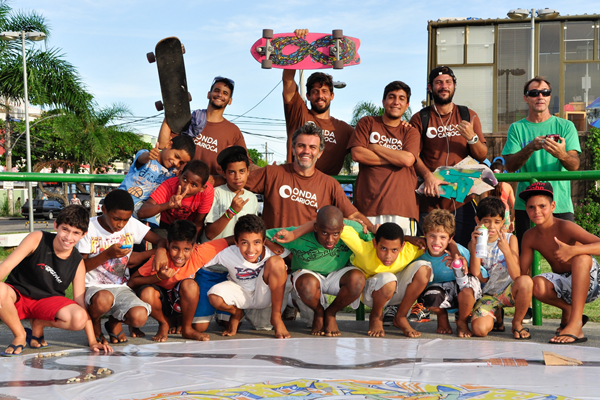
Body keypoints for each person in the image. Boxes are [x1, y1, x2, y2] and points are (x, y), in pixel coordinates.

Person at [0, 205, 112, 356]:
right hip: (17, 296)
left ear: (83, 234)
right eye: (65, 229)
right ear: (56, 225)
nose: (69, 237)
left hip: (46, 303)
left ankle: (39, 323)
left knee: (79, 318)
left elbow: (80, 302)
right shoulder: (37, 238)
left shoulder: (77, 262)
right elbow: (5, 267)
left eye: (76, 233)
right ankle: (20, 335)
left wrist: (92, 341)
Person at [410, 66, 488, 247]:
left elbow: (482, 155)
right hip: (430, 201)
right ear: (430, 87)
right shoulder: (420, 117)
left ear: (454, 86)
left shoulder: (468, 114)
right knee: (430, 253)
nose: (443, 86)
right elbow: (412, 155)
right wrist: (428, 176)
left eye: (448, 82)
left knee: (463, 251)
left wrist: (472, 138)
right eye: (438, 83)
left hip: (462, 200)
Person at [244, 122, 372, 231]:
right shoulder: (272, 173)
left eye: (312, 147)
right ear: (293, 149)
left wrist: (373, 230)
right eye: (301, 146)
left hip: (310, 255)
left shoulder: (329, 184)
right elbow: (236, 180)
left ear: (320, 153)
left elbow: (353, 214)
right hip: (275, 251)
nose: (306, 151)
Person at [78, 189, 166, 344]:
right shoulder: (89, 228)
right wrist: (106, 254)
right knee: (104, 299)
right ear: (103, 209)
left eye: (125, 220)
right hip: (93, 288)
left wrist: (159, 250)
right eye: (116, 218)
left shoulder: (130, 224)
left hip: (121, 286)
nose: (121, 224)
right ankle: (95, 326)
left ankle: (113, 323)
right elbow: (80, 268)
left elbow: (160, 240)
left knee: (139, 317)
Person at [502, 77, 581, 247]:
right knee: (526, 258)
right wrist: (530, 147)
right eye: (534, 93)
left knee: (568, 256)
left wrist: (561, 154)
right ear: (526, 98)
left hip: (559, 203)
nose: (540, 96)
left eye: (545, 92)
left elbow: (574, 165)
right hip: (527, 204)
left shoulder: (566, 126)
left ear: (550, 97)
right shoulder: (517, 128)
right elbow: (510, 166)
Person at [267, 206, 369, 336]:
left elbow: (381, 237)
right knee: (307, 285)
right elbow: (260, 235)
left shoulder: (353, 229)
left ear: (342, 229)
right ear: (315, 228)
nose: (330, 240)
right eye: (324, 233)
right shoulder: (296, 234)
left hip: (339, 272)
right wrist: (282, 253)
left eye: (335, 234)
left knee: (358, 279)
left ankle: (331, 313)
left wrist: (368, 228)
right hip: (308, 274)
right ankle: (319, 311)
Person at [520, 182, 600, 344]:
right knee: (535, 283)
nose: (537, 211)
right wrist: (507, 250)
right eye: (531, 207)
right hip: (564, 284)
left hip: (591, 283)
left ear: (553, 206)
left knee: (581, 258)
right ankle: (569, 311)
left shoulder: (565, 226)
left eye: (542, 206)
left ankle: (576, 324)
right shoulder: (529, 236)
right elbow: (522, 273)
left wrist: (573, 250)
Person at [128, 220, 233, 342]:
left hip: (179, 302)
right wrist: (158, 278)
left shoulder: (199, 253)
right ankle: (164, 323)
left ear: (194, 247)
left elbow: (229, 240)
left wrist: (259, 242)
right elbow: (132, 282)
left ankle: (187, 329)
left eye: (186, 249)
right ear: (168, 244)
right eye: (175, 248)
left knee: (190, 285)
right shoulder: (160, 259)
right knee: (147, 293)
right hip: (160, 303)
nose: (180, 255)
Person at [348, 81, 420, 236]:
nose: (396, 102)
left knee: (402, 257)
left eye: (401, 98)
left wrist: (375, 148)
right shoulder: (367, 123)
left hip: (403, 209)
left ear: (407, 105)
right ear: (383, 101)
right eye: (392, 97)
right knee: (367, 257)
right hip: (369, 208)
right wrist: (396, 157)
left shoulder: (410, 132)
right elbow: (358, 154)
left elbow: (408, 160)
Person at [205, 215, 291, 339]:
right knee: (214, 296)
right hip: (240, 293)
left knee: (276, 262)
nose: (251, 249)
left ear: (264, 241)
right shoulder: (228, 253)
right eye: (244, 243)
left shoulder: (271, 251)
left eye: (256, 242)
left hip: (264, 295)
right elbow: (200, 258)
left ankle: (276, 317)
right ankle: (236, 313)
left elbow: (292, 257)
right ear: (236, 242)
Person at [282, 29, 354, 175]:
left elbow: (366, 146)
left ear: (332, 96)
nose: (320, 96)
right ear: (308, 96)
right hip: (296, 186)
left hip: (326, 191)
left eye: (324, 91)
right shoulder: (299, 114)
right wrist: (297, 45)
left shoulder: (344, 130)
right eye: (315, 92)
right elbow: (288, 80)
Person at [340, 222, 429, 338]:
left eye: (394, 250)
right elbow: (337, 223)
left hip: (396, 293)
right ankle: (376, 316)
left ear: (402, 246)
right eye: (383, 248)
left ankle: (400, 316)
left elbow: (440, 239)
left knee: (424, 269)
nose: (388, 256)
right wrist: (363, 224)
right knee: (389, 278)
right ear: (374, 243)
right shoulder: (363, 249)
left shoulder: (410, 249)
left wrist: (457, 253)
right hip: (370, 295)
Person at [466, 197, 533, 340]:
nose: (491, 226)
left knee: (526, 281)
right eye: (486, 221)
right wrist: (475, 246)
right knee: (479, 330)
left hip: (508, 290)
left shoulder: (510, 239)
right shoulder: (474, 241)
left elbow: (516, 276)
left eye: (496, 222)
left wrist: (507, 251)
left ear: (503, 222)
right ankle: (497, 315)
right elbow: (476, 272)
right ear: (478, 221)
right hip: (487, 295)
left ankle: (517, 323)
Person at [158, 76, 251, 175]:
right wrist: (172, 108)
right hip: (178, 180)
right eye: (217, 90)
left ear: (230, 100)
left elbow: (246, 164)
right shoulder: (190, 119)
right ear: (209, 94)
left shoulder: (233, 131)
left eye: (225, 93)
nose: (220, 94)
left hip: (209, 187)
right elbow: (163, 144)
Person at [414, 209, 482, 337]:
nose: (436, 242)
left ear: (450, 239)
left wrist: (464, 266)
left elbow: (478, 275)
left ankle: (462, 321)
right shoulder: (419, 255)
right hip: (441, 294)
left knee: (468, 290)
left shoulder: (460, 252)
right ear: (425, 234)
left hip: (463, 293)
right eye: (432, 236)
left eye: (443, 237)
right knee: (430, 296)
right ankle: (442, 316)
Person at [118, 136, 195, 227]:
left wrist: (179, 178)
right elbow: (141, 158)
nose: (176, 163)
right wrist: (149, 155)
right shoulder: (147, 157)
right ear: (168, 144)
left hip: (144, 221)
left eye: (181, 163)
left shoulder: (173, 175)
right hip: (120, 208)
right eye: (176, 156)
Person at [138, 160, 214, 235]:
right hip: (164, 226)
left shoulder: (207, 192)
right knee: (163, 245)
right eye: (184, 179)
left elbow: (198, 222)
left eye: (193, 185)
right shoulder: (169, 186)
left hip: (187, 228)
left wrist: (192, 243)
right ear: (179, 175)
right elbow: (141, 213)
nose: (186, 187)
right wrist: (168, 205)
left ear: (202, 188)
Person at [201, 146, 258, 242]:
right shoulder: (215, 194)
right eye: (232, 172)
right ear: (224, 173)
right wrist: (231, 212)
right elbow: (209, 234)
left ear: (248, 171)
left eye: (242, 171)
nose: (238, 177)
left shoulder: (252, 198)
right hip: (216, 252)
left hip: (238, 253)